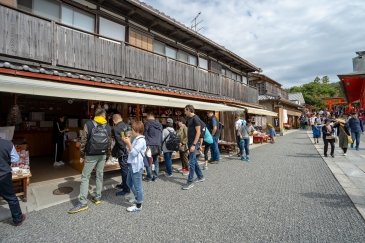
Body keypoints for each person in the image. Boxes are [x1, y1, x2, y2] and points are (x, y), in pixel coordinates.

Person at [68, 108, 111, 214]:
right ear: (103, 115)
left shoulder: (89, 124)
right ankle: (97, 197)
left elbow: (83, 140)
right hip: (102, 154)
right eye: (105, 115)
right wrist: (108, 155)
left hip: (91, 155)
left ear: (95, 115)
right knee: (99, 175)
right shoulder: (108, 126)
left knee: (85, 177)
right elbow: (109, 143)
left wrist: (82, 154)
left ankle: (83, 203)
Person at [0, 138, 26, 226]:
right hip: (3, 175)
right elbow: (15, 159)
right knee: (11, 198)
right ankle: (18, 219)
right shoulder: (7, 143)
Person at [122, 121, 146, 212]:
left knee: (138, 186)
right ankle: (137, 198)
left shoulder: (141, 140)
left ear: (136, 130)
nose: (131, 131)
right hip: (132, 164)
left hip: (137, 166)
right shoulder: (136, 138)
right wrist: (128, 141)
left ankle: (139, 205)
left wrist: (128, 143)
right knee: (129, 182)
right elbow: (130, 151)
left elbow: (134, 152)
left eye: (132, 129)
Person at [182, 105, 205, 190]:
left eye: (185, 111)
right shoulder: (190, 119)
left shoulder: (196, 118)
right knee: (194, 161)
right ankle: (200, 176)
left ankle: (190, 181)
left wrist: (194, 145)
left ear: (189, 110)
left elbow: (198, 132)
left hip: (194, 144)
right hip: (191, 143)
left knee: (191, 162)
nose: (184, 112)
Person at [112, 114, 130, 196]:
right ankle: (124, 184)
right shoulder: (127, 125)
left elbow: (120, 142)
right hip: (129, 149)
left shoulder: (116, 128)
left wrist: (123, 149)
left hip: (123, 152)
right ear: (121, 118)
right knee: (126, 169)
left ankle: (126, 189)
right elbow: (130, 137)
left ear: (114, 120)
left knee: (124, 170)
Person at [144, 112, 163, 182]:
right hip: (158, 145)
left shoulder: (147, 124)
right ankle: (155, 176)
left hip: (149, 145)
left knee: (148, 161)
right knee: (156, 161)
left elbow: (145, 135)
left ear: (148, 117)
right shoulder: (159, 125)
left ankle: (149, 176)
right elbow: (161, 136)